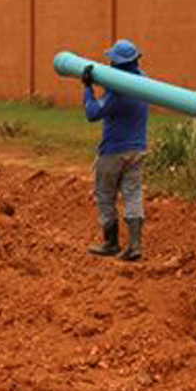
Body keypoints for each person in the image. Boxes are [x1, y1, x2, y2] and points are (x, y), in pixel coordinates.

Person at [81, 39, 150, 261]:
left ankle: (110, 243)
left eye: (112, 61)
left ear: (117, 64)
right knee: (133, 195)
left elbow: (92, 114)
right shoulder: (144, 82)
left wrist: (88, 89)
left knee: (105, 195)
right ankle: (135, 245)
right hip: (137, 149)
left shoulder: (117, 91)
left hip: (113, 151)